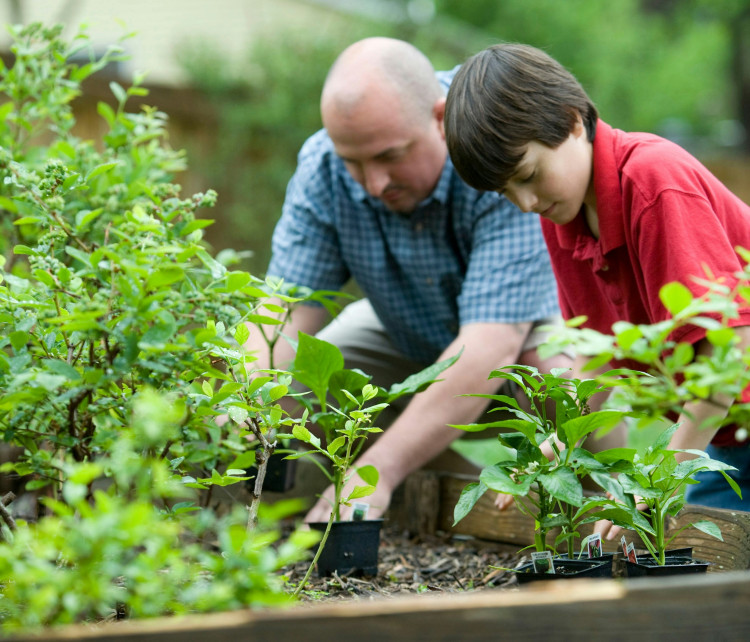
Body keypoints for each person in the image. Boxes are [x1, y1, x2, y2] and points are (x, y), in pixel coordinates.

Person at [245, 37, 568, 522]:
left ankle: (593, 507)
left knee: (561, 380)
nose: (374, 184)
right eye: (354, 162)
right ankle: (463, 502)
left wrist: (377, 470)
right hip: (406, 337)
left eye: (390, 156)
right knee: (314, 376)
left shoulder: (494, 143)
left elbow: (491, 346)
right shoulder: (323, 168)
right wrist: (246, 401)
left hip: (520, 338)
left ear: (440, 118)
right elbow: (281, 314)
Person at [443, 42, 750, 524]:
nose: (524, 203)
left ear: (572, 121)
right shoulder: (562, 216)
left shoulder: (652, 181)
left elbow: (728, 349)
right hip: (729, 436)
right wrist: (551, 451)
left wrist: (659, 481)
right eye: (505, 193)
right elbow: (597, 352)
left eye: (528, 175)